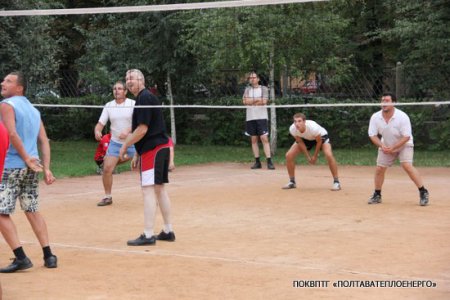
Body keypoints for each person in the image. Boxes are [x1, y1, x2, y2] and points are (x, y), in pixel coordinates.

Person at [0, 71, 57, 273]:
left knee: (0, 212)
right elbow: (44, 141)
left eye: (8, 81)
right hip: (31, 168)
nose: (3, 83)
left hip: (13, 166)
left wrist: (24, 158)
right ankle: (49, 255)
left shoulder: (7, 105)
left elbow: (12, 133)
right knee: (31, 209)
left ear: (19, 88)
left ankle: (21, 258)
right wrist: (46, 167)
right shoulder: (33, 110)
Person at [120, 69, 175, 246]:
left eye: (132, 78)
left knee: (148, 189)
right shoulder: (145, 98)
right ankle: (167, 230)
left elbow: (142, 130)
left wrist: (125, 145)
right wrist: (137, 152)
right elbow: (147, 129)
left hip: (154, 149)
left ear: (141, 80)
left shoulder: (144, 98)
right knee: (159, 189)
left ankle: (148, 234)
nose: (129, 81)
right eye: (127, 78)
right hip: (160, 147)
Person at [368, 92, 429, 206]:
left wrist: (394, 147)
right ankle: (377, 195)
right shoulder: (375, 117)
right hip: (386, 145)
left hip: (404, 144)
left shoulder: (402, 116)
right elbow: (372, 135)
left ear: (394, 103)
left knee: (406, 165)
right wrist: (382, 146)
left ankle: (423, 192)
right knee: (380, 168)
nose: (384, 103)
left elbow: (406, 136)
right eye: (382, 101)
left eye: (387, 101)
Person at [94, 81, 135, 206]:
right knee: (107, 169)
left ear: (125, 91)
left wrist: (128, 130)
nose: (116, 91)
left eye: (120, 88)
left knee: (141, 168)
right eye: (114, 89)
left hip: (132, 142)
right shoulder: (109, 105)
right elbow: (100, 124)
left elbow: (140, 124)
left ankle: (151, 194)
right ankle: (108, 197)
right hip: (115, 143)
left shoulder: (133, 104)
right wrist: (97, 131)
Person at [282, 113, 341, 191]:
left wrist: (315, 156)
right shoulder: (292, 129)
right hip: (305, 139)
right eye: (295, 121)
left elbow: (319, 142)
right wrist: (308, 156)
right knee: (289, 155)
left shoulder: (313, 127)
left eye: (299, 121)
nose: (297, 124)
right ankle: (292, 182)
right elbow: (300, 142)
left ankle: (336, 182)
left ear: (304, 122)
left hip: (320, 137)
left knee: (329, 155)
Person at [242, 72, 275, 170]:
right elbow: (244, 102)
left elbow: (264, 101)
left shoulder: (264, 89)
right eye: (250, 78)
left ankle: (269, 161)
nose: (252, 79)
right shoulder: (247, 89)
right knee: (254, 140)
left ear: (258, 79)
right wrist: (256, 100)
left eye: (254, 77)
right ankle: (257, 162)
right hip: (250, 117)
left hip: (261, 117)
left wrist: (252, 101)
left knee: (264, 138)